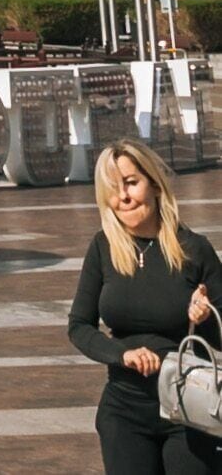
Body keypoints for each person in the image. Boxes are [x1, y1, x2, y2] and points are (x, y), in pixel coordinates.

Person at [69, 140, 222, 472]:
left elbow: (221, 334)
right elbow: (79, 326)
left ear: (153, 183)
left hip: (189, 410)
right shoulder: (102, 247)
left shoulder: (194, 250)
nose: (123, 196)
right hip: (124, 410)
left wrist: (205, 317)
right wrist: (121, 354)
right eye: (113, 188)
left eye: (131, 183)